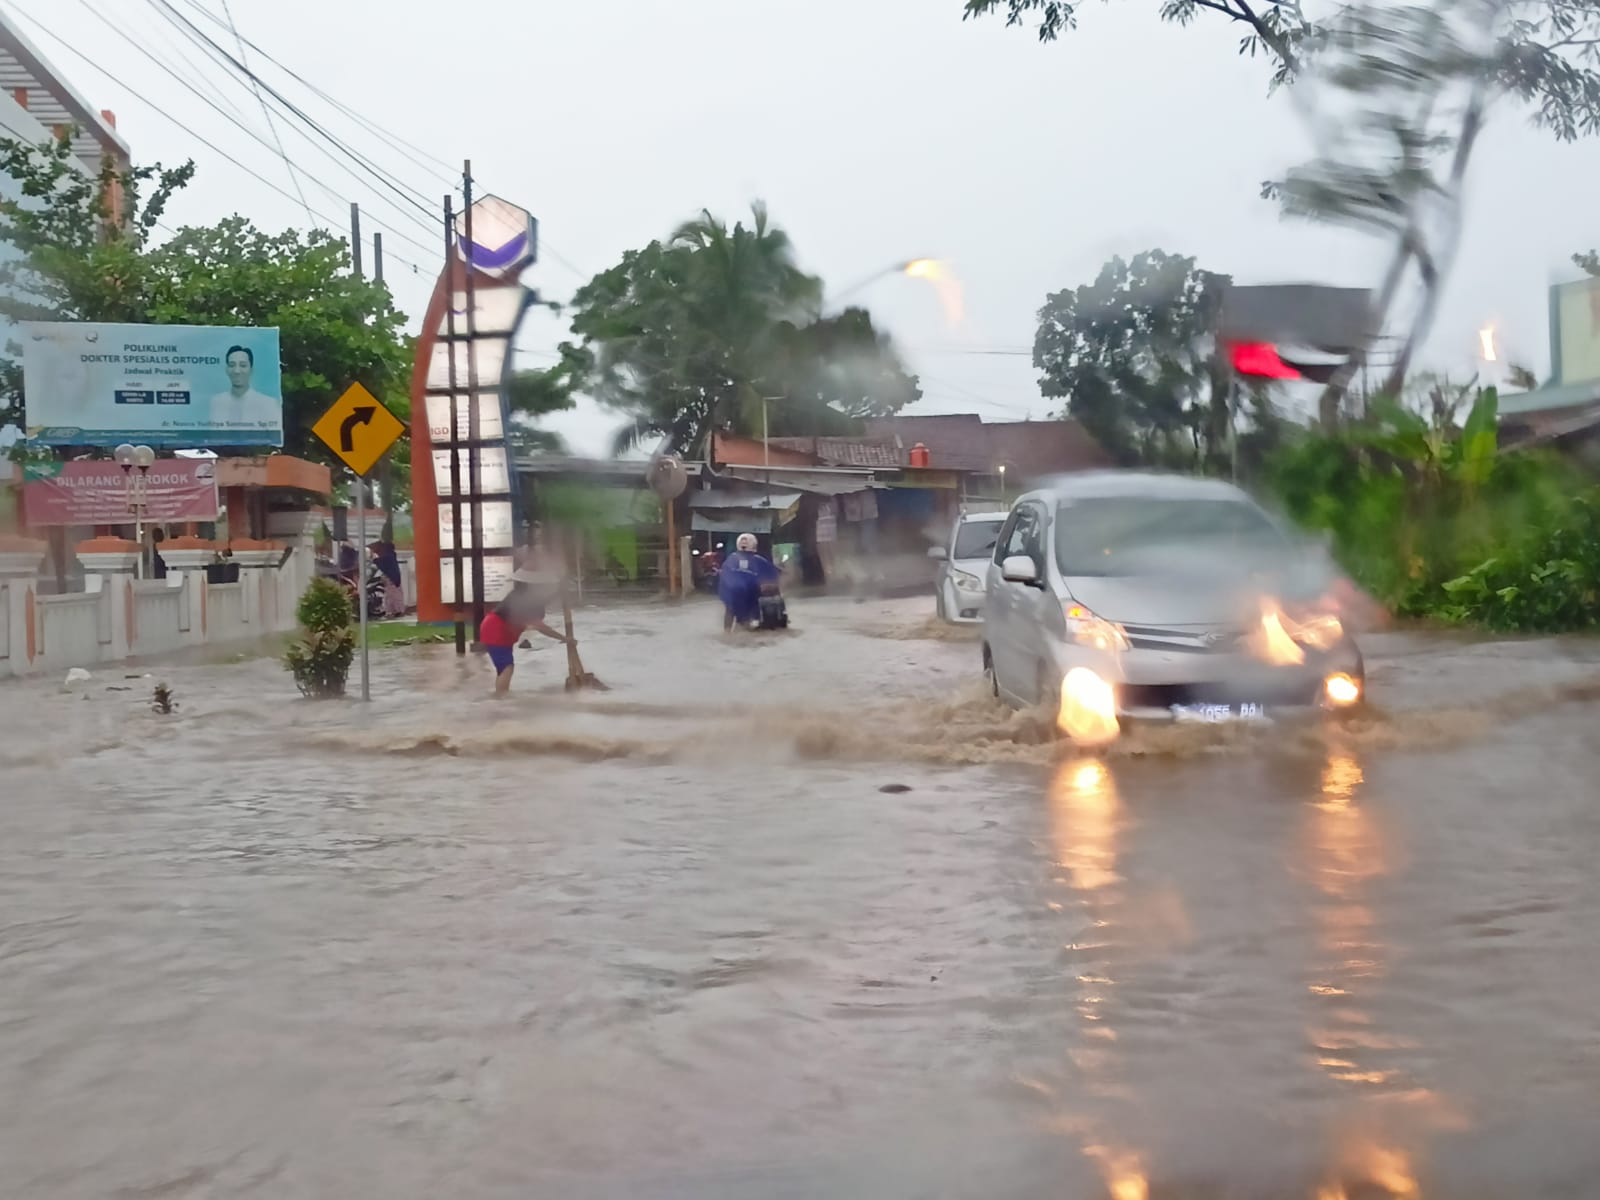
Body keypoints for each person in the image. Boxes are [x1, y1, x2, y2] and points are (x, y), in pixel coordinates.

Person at [477, 580, 567, 696]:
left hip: (497, 630)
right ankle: (501, 698)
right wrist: (564, 638)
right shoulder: (527, 604)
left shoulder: (525, 599)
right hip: (497, 631)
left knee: (504, 667)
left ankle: (501, 697)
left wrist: (560, 592)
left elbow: (545, 600)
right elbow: (543, 628)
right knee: (506, 667)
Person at [208, 344, 280, 436]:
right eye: (232, 365)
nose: (237, 371)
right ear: (226, 369)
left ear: (251, 369)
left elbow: (274, 438)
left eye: (243, 365)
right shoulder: (216, 401)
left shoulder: (268, 403)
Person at [717, 532, 780, 631]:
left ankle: (728, 632)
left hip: (740, 594)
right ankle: (735, 631)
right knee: (741, 615)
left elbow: (724, 578)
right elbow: (773, 577)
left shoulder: (732, 559)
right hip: (748, 595)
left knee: (730, 610)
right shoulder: (757, 560)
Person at [370, 536, 405, 618]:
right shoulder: (391, 556)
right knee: (394, 594)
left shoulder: (387, 557)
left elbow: (382, 565)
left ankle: (394, 611)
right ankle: (396, 610)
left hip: (391, 578)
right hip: (394, 577)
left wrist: (375, 559)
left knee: (391, 595)